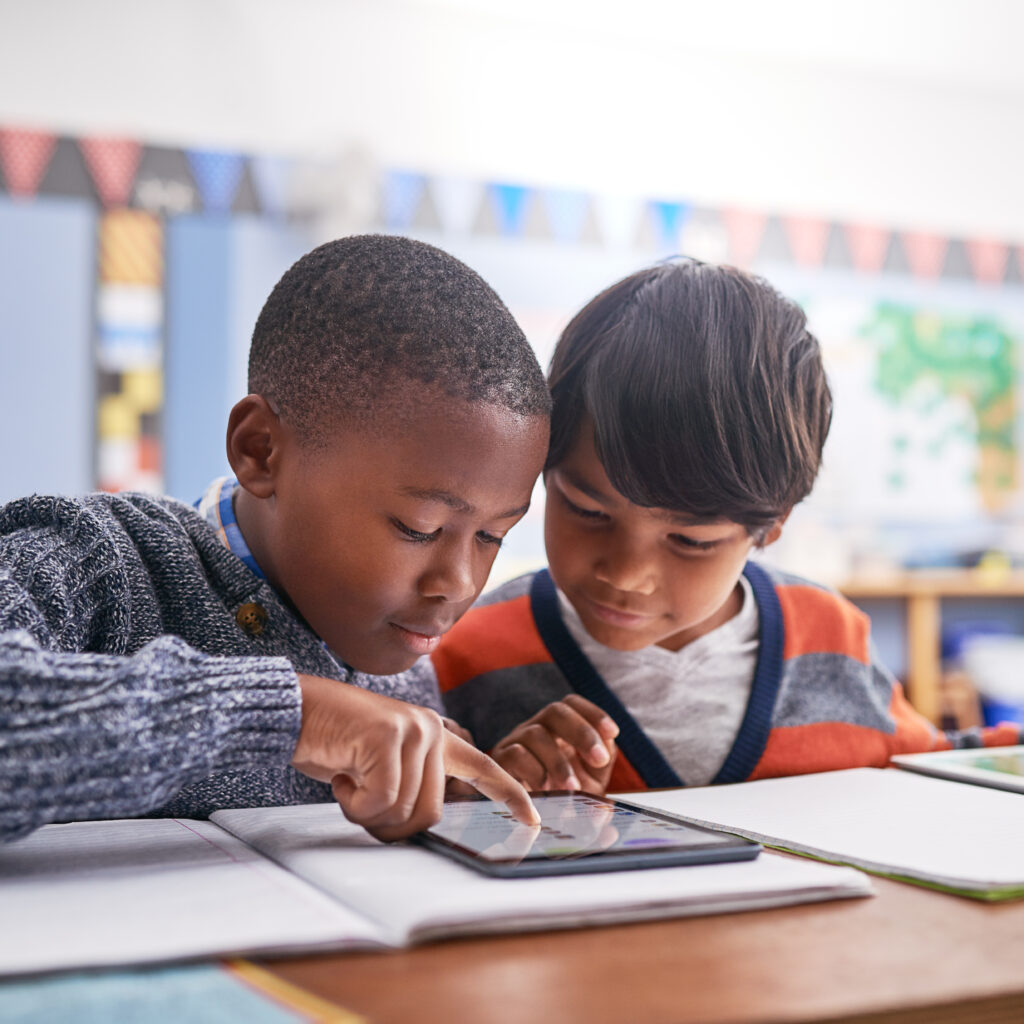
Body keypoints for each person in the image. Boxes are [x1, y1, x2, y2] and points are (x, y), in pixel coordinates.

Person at [0, 234, 550, 843]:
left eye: (494, 536)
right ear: (260, 451)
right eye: (416, 528)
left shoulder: (402, 655)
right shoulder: (94, 560)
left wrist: (459, 789)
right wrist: (291, 715)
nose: (459, 583)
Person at [430, 259, 1023, 795]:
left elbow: (929, 770)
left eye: (691, 541)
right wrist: (483, 798)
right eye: (588, 510)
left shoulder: (831, 638)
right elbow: (413, 814)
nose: (627, 574)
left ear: (772, 524)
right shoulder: (465, 652)